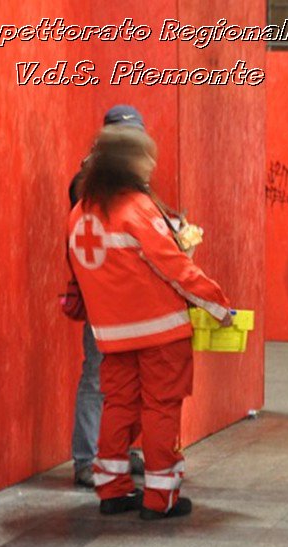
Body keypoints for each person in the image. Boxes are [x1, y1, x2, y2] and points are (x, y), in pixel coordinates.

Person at [68, 125, 233, 519]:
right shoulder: (137, 208)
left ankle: (111, 490)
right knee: (161, 409)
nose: (152, 165)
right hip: (159, 331)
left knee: (118, 407)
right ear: (128, 163)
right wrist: (218, 304)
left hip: (110, 333)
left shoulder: (79, 212)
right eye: (147, 157)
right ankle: (161, 499)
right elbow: (174, 267)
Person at [68, 105, 148, 488]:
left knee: (126, 380)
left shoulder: (132, 180)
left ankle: (115, 451)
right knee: (97, 376)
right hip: (103, 297)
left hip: (131, 295)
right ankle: (86, 459)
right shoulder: (88, 181)